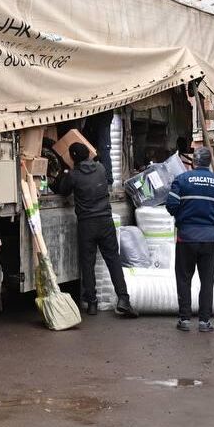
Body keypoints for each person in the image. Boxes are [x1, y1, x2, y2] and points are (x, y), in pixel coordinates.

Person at [52, 136, 137, 319]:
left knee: (87, 264)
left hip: (87, 224)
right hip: (106, 222)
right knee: (113, 260)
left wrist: (65, 173)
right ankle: (123, 299)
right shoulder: (100, 168)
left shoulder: (74, 175)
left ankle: (91, 303)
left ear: (73, 158)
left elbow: (62, 190)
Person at [165, 146, 214, 332]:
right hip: (209, 239)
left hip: (186, 238)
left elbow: (171, 205)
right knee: (207, 281)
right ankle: (204, 322)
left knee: (184, 278)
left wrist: (184, 216)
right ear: (208, 162)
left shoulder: (182, 180)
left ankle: (184, 320)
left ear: (193, 162)